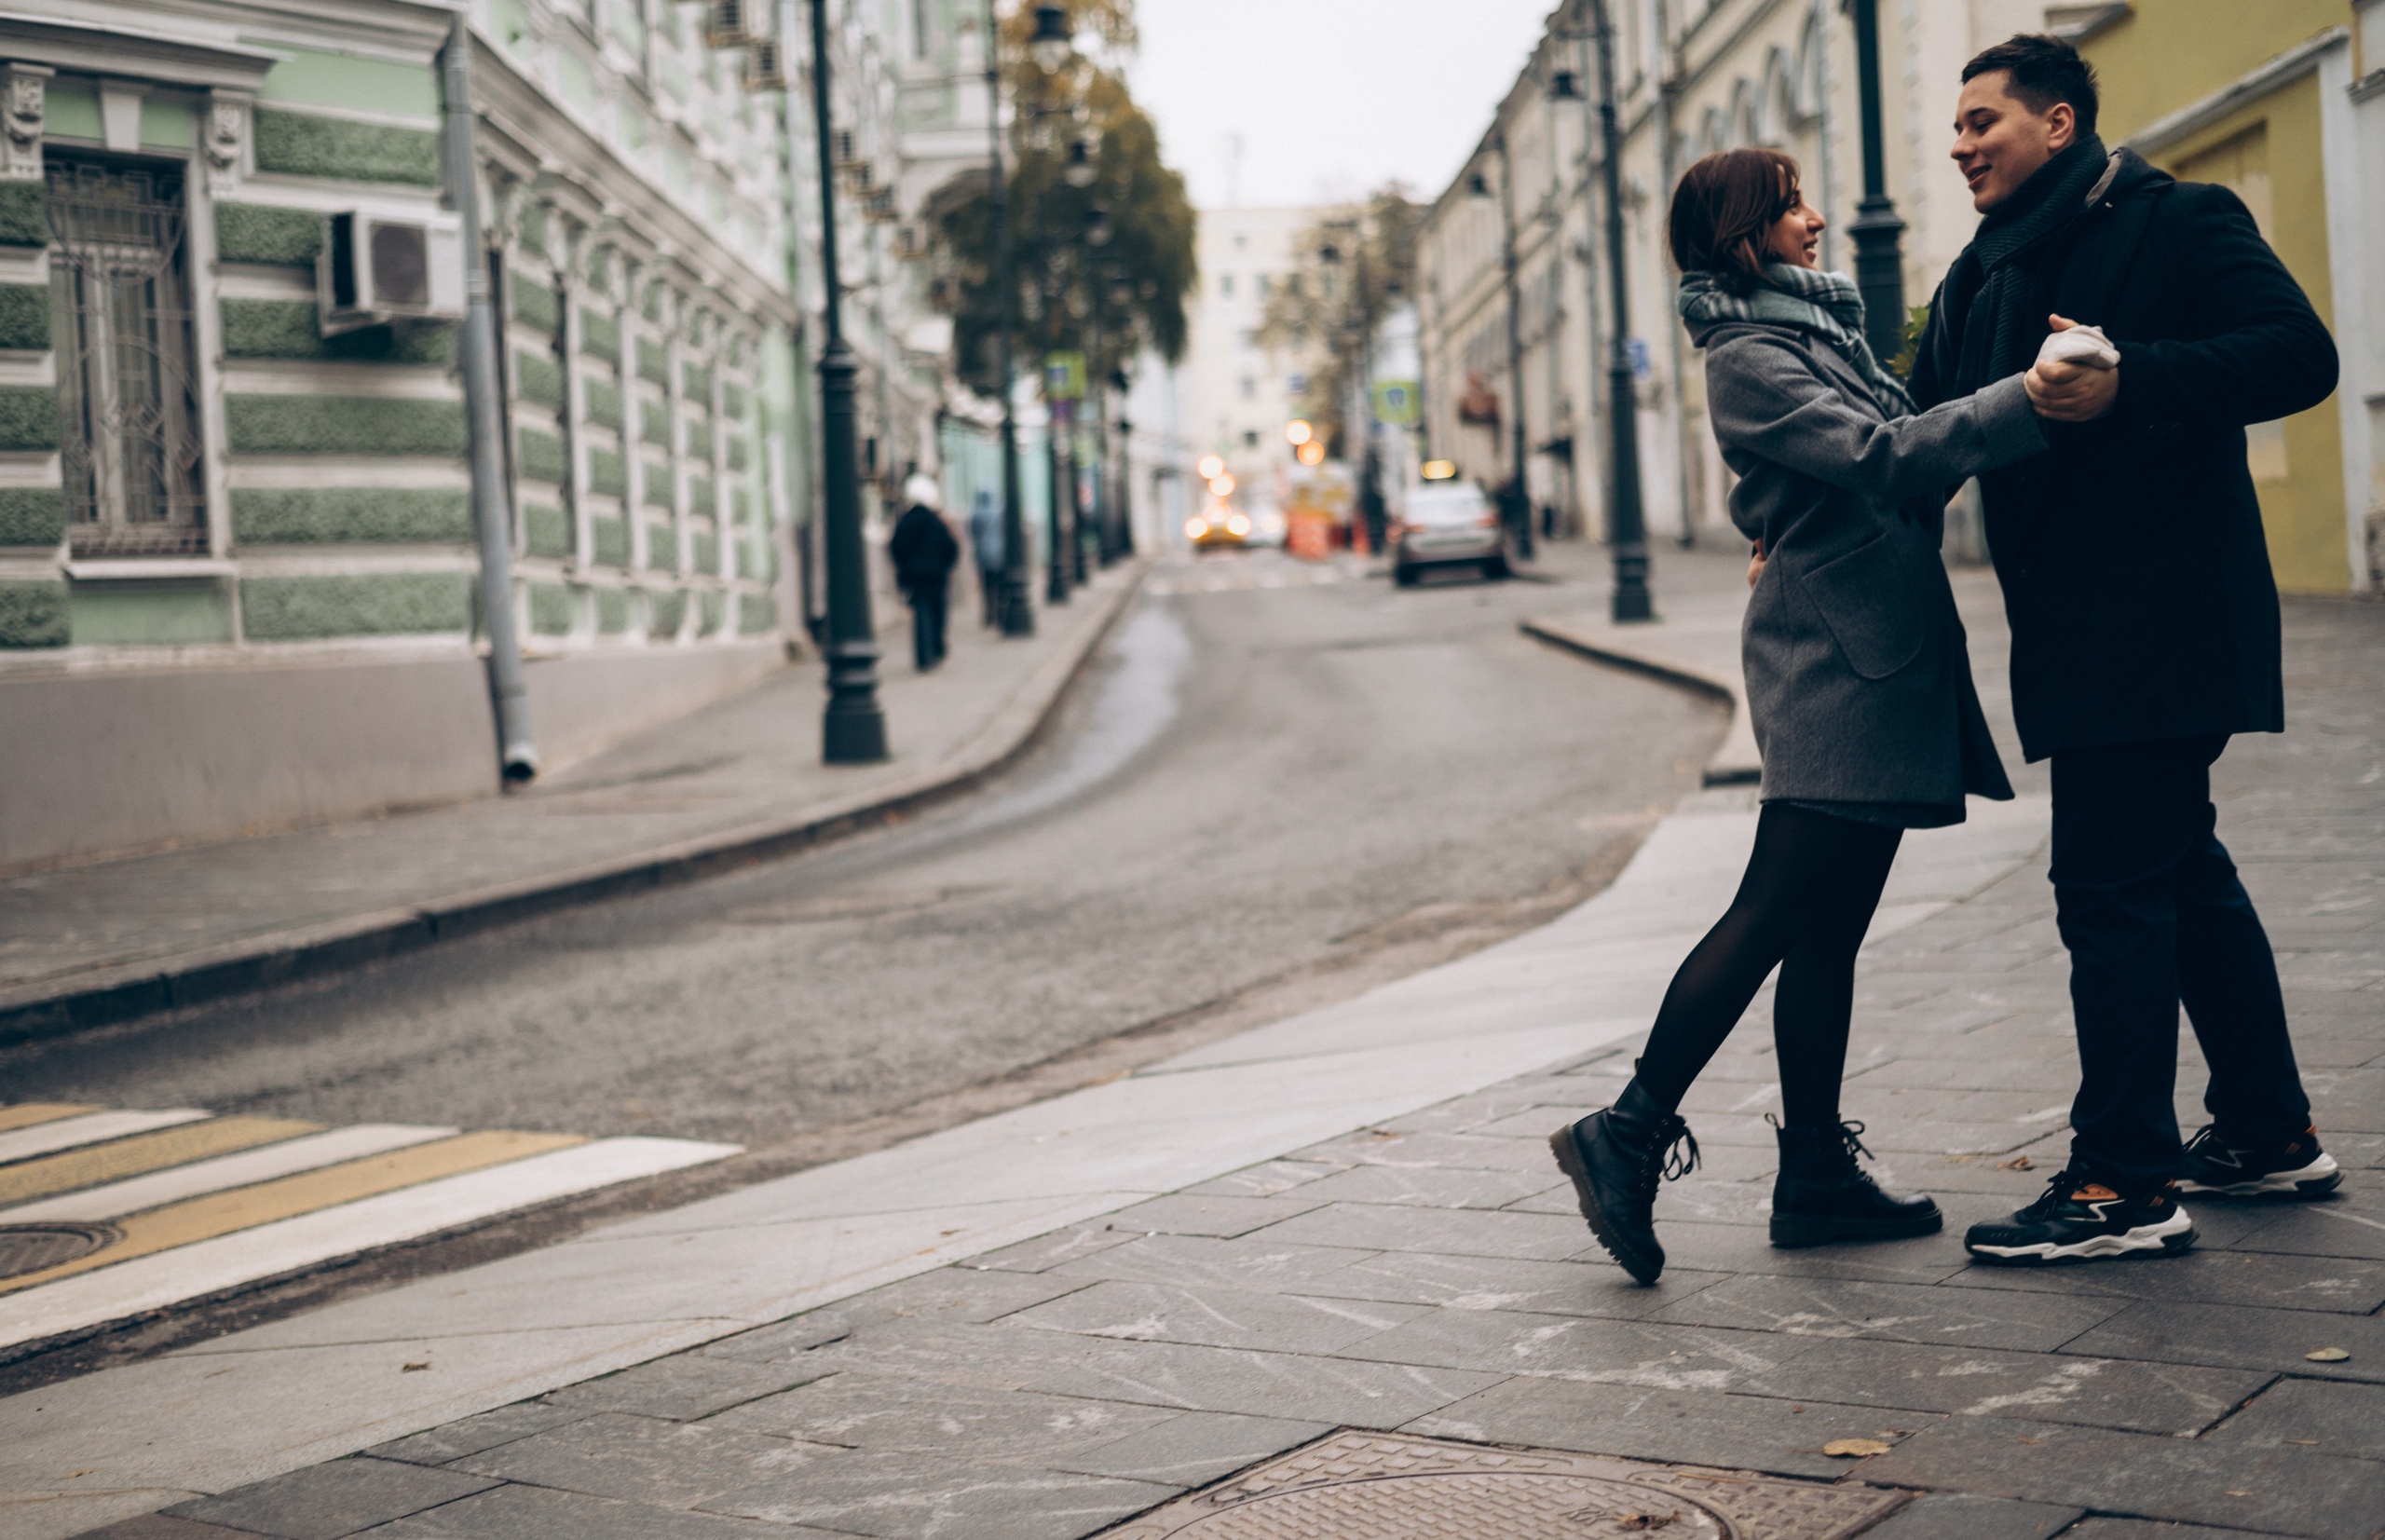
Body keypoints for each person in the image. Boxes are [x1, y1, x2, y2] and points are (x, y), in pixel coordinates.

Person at [1547, 147, 2089, 1285]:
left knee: (1828, 927)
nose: (1817, 220)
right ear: (1743, 232)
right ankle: (1628, 1127)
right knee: (1773, 910)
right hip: (1828, 656)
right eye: (1791, 205)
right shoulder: (1747, 356)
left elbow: (1892, 452)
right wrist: (2025, 401)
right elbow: (1882, 457)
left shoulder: (1811, 336)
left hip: (1869, 648)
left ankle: (1813, 1179)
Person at [1902, 34, 2342, 1266]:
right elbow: (1920, 423)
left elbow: (2299, 357)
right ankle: (2266, 1129)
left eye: (1982, 120)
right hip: (2073, 633)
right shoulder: (1982, 275)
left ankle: (2122, 1184)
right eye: (1955, 125)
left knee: (2108, 891)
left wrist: (2132, 379)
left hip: (2166, 618)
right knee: (2176, 870)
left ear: (2056, 123)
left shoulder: (2176, 220)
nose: (1959, 143)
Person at [888, 473, 960, 673]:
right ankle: (936, 648)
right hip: (936, 576)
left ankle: (922, 655)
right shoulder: (937, 522)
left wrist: (903, 568)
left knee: (920, 611)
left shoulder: (904, 522)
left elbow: (895, 548)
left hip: (913, 576)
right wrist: (945, 566)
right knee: (937, 611)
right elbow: (951, 548)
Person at [967, 487, 1004, 627]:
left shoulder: (977, 513)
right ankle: (1000, 613)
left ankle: (989, 615)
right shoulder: (999, 512)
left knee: (987, 587)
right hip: (1000, 554)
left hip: (983, 555)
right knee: (1000, 586)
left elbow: (971, 532)